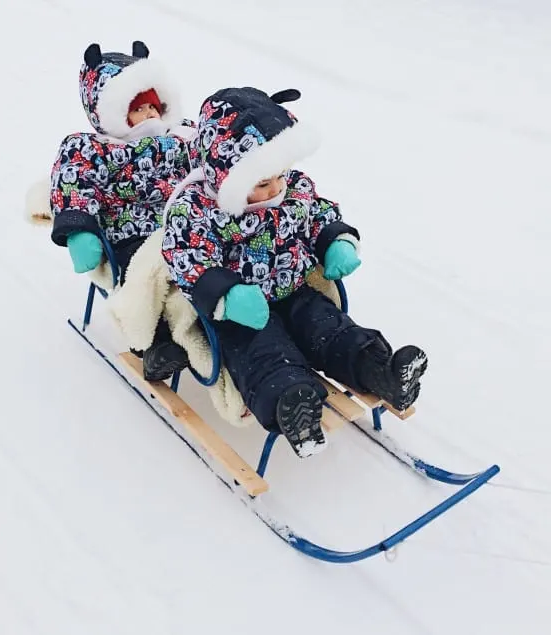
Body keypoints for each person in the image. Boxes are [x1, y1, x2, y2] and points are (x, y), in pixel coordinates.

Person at [161, 86, 427, 458]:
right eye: (263, 182)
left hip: (294, 289)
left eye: (281, 175)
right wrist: (226, 294)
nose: (277, 187)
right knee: (264, 354)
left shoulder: (294, 188)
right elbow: (185, 254)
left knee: (330, 329)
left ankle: (380, 370)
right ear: (226, 174)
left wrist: (337, 240)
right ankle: (291, 405)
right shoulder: (200, 207)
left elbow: (319, 215)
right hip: (243, 310)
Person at [49, 41, 196, 381]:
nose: (150, 115)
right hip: (130, 234)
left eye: (154, 107)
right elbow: (73, 184)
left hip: (185, 228)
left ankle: (213, 332)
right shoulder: (90, 148)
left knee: (199, 274)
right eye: (139, 108)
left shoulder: (183, 135)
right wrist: (79, 229)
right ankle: (156, 345)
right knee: (141, 278)